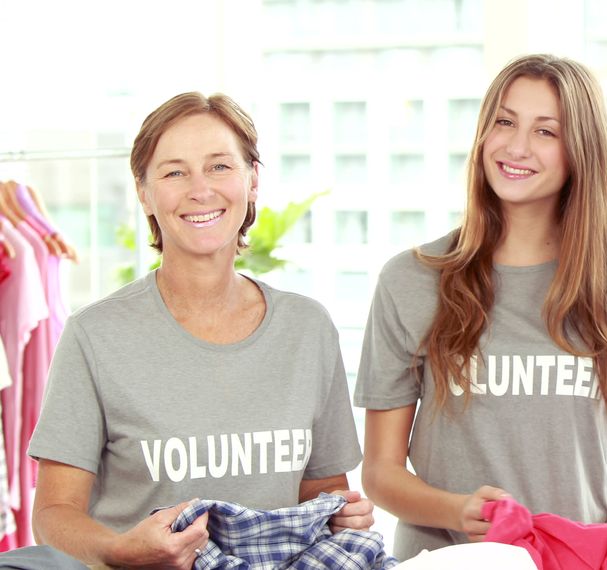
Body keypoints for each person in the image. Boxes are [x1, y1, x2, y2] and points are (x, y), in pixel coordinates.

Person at [26, 92, 373, 568]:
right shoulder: (94, 336)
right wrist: (120, 550)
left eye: (219, 167)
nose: (200, 190)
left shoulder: (307, 329)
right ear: (144, 193)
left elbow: (322, 492)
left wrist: (344, 515)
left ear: (252, 180)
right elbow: (52, 514)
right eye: (174, 172)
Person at [356, 54, 607, 559]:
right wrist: (458, 510)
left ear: (581, 151)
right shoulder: (412, 280)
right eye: (504, 121)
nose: (517, 146)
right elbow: (380, 473)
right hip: (446, 563)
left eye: (546, 131)